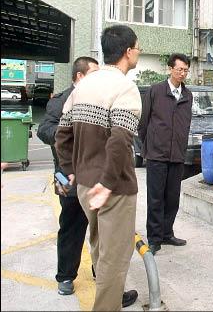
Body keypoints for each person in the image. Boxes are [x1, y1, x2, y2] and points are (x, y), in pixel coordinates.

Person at [55, 25, 142, 311]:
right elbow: (119, 140)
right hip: (113, 189)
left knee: (100, 249)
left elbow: (61, 136)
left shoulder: (82, 87)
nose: (138, 51)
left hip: (84, 186)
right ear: (128, 52)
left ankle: (111, 297)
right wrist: (106, 182)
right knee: (114, 260)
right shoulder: (125, 88)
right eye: (137, 47)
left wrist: (70, 170)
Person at [37, 56, 99, 297]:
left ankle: (101, 273)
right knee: (71, 227)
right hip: (67, 176)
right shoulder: (61, 101)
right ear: (80, 76)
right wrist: (70, 134)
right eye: (94, 73)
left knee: (100, 229)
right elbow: (44, 130)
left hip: (95, 175)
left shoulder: (99, 101)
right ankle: (65, 276)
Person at [138, 53, 193, 255]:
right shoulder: (155, 91)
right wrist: (149, 145)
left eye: (186, 70)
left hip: (177, 154)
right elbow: (143, 123)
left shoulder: (188, 94)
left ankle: (167, 233)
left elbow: (185, 124)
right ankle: (154, 238)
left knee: (172, 198)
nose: (182, 73)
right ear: (170, 69)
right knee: (155, 198)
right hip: (157, 155)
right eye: (179, 69)